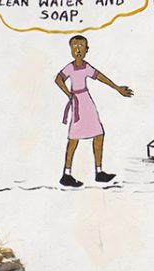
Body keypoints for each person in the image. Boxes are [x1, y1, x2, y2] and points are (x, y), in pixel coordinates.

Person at [55, 35, 133, 187]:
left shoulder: (86, 66)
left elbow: (100, 77)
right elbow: (58, 79)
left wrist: (117, 88)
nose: (78, 50)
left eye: (81, 47)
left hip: (86, 102)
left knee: (99, 134)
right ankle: (66, 174)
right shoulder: (70, 67)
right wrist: (69, 94)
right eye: (75, 46)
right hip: (78, 102)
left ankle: (99, 172)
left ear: (86, 50)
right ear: (71, 49)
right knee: (73, 139)